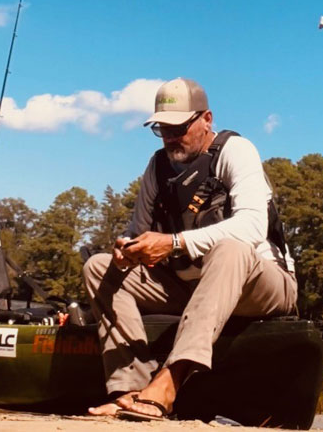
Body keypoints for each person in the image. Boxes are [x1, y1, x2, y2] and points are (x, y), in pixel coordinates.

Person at [83, 77, 297, 421]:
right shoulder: (157, 167)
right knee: (99, 266)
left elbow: (253, 228)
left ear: (206, 119)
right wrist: (128, 248)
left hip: (262, 284)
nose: (169, 138)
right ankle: (130, 391)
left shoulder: (236, 151)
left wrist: (173, 243)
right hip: (192, 287)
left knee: (231, 249)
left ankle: (170, 380)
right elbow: (137, 231)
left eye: (178, 128)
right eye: (161, 129)